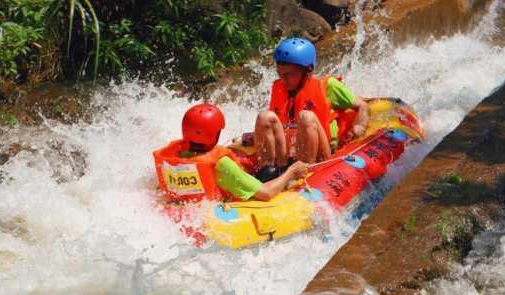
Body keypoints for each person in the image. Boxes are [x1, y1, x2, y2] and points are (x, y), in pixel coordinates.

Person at [253, 37, 370, 182]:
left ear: (307, 71)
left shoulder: (328, 86)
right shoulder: (279, 88)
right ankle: (268, 173)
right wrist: (253, 135)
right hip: (287, 155)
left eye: (290, 74)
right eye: (280, 74)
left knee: (306, 117)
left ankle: (303, 176)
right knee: (265, 116)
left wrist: (360, 125)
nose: (284, 79)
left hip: (319, 155)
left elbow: (362, 106)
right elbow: (279, 124)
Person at [154, 103, 310, 202]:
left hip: (193, 203)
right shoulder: (222, 164)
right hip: (227, 204)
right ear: (214, 134)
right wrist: (292, 172)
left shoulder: (178, 156)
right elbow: (267, 193)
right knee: (271, 172)